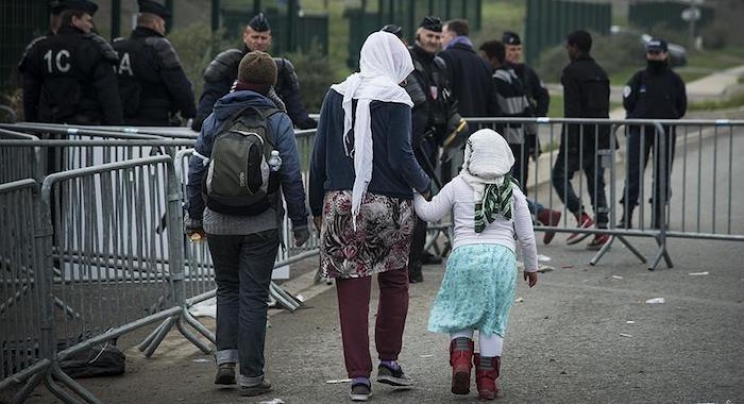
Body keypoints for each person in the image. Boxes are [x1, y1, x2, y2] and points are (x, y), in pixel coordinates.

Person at [308, 31, 431, 402]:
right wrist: (428, 186)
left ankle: (359, 378)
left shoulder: (336, 93)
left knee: (352, 291)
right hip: (389, 206)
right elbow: (400, 155)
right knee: (394, 282)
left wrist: (317, 207)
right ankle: (389, 362)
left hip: (342, 205)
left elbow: (319, 156)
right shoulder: (397, 97)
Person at [185, 51, 310, 397]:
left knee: (227, 289)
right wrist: (300, 222)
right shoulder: (276, 119)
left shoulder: (216, 115)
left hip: (218, 220)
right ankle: (251, 376)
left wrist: (194, 215)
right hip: (261, 221)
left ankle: (225, 361)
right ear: (271, 83)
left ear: (238, 78)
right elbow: (291, 176)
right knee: (254, 296)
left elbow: (196, 169)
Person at [413, 129, 538, 401]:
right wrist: (532, 267)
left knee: (463, 312)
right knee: (492, 321)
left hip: (464, 257)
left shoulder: (457, 185)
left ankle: (460, 360)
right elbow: (527, 237)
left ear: (470, 156)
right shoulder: (513, 191)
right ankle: (486, 383)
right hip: (502, 259)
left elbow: (430, 213)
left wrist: (415, 193)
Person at [479, 39, 561, 245]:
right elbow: (527, 110)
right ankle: (538, 216)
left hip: (507, 141)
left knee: (503, 188)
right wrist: (533, 140)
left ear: (493, 59)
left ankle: (541, 213)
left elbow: (500, 112)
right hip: (520, 139)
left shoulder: (497, 80)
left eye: (483, 58)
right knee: (507, 187)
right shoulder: (513, 76)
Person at [400, 16, 462, 282]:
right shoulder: (407, 61)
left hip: (431, 143)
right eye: (430, 36)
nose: (434, 41)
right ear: (419, 34)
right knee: (404, 204)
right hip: (411, 142)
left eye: (438, 37)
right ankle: (402, 264)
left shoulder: (439, 64)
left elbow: (447, 101)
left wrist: (452, 129)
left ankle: (414, 264)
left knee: (422, 205)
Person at [192, 13, 316, 131]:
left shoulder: (281, 69)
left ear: (270, 39)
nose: (259, 41)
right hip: (229, 130)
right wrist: (203, 120)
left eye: (263, 37)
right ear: (245, 37)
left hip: (266, 130)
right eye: (255, 37)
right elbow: (211, 97)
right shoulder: (227, 64)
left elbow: (294, 104)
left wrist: (305, 122)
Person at [551, 30, 613, 250]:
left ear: (575, 47)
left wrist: (571, 141)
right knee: (597, 182)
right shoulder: (601, 72)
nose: (567, 50)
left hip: (578, 138)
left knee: (558, 176)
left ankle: (581, 216)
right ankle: (603, 229)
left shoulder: (571, 72)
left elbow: (572, 109)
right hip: (601, 135)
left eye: (568, 46)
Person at [19, 0, 123, 125]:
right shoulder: (93, 49)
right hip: (86, 129)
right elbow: (108, 97)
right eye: (88, 20)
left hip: (49, 127)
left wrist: (33, 126)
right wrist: (114, 130)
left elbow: (30, 95)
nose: (91, 25)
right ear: (75, 20)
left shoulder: (39, 48)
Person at [620, 38, 687, 229]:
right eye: (651, 53)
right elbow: (628, 101)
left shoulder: (674, 80)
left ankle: (658, 217)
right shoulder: (639, 77)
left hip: (664, 134)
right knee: (633, 175)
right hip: (639, 133)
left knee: (662, 175)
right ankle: (627, 215)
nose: (654, 56)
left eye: (657, 53)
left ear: (666, 54)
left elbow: (681, 107)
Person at [113, 0, 196, 126]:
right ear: (155, 24)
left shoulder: (117, 47)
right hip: (154, 121)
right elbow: (179, 86)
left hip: (119, 122)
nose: (163, 29)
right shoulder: (159, 47)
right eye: (162, 24)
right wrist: (190, 113)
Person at [438, 18, 498, 184]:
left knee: (450, 183)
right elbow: (493, 103)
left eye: (443, 36)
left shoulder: (444, 58)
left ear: (452, 35)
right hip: (478, 134)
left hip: (454, 133)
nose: (440, 40)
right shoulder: (483, 63)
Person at [502, 31, 550, 163]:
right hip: (506, 128)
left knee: (522, 171)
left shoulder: (527, 72)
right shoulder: (498, 72)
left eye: (518, 49)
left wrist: (539, 115)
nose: (516, 53)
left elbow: (543, 94)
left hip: (525, 129)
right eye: (512, 49)